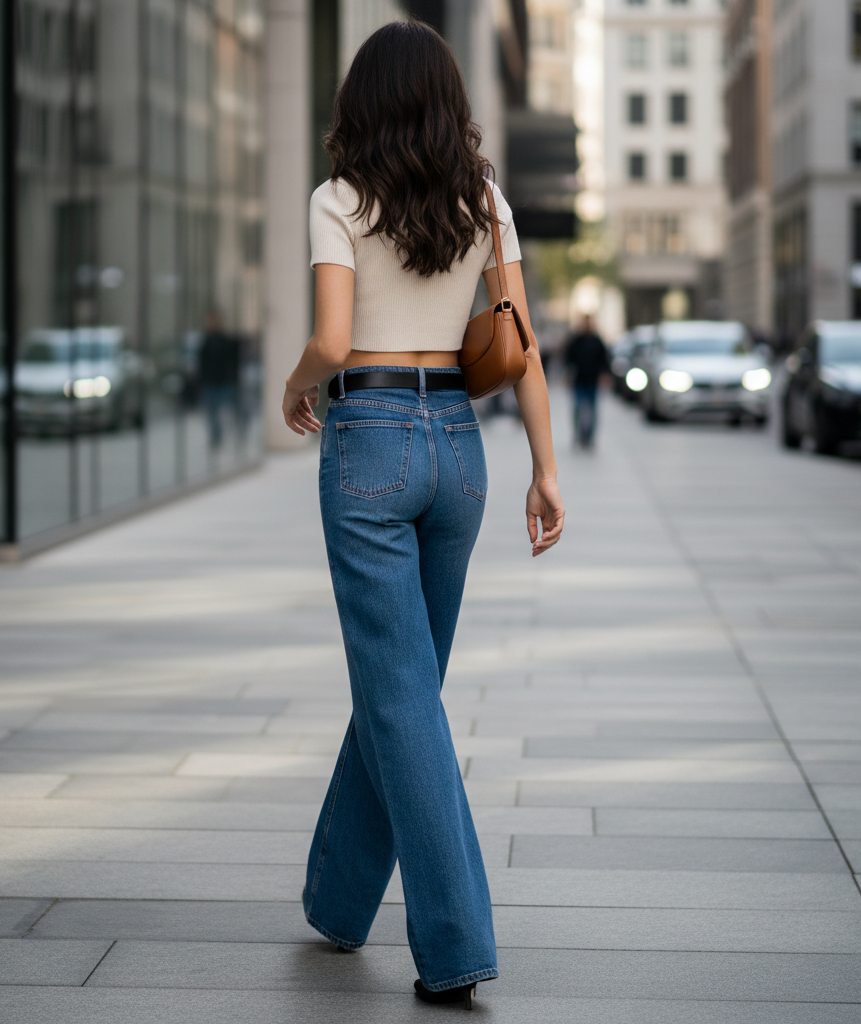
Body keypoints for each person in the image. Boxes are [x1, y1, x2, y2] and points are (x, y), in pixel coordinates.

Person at [281, 22, 564, 1011]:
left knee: (400, 696)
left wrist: (296, 385)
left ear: (360, 101)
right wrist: (545, 469)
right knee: (405, 686)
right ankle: (338, 897)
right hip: (459, 447)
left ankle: (455, 944)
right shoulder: (482, 199)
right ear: (449, 101)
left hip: (369, 439)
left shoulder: (337, 199)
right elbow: (519, 345)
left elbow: (332, 340)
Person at [564, 314, 609, 448]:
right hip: (579, 380)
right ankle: (578, 435)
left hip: (593, 380)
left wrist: (604, 376)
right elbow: (569, 358)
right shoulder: (576, 341)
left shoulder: (597, 341)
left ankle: (590, 437)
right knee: (577, 409)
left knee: (593, 410)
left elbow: (604, 360)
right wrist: (568, 375)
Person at [198, 312, 241, 448]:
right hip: (210, 383)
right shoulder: (205, 341)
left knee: (229, 412)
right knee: (212, 414)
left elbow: (234, 362)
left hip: (225, 382)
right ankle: (216, 438)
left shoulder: (226, 341)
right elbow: (201, 363)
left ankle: (233, 436)